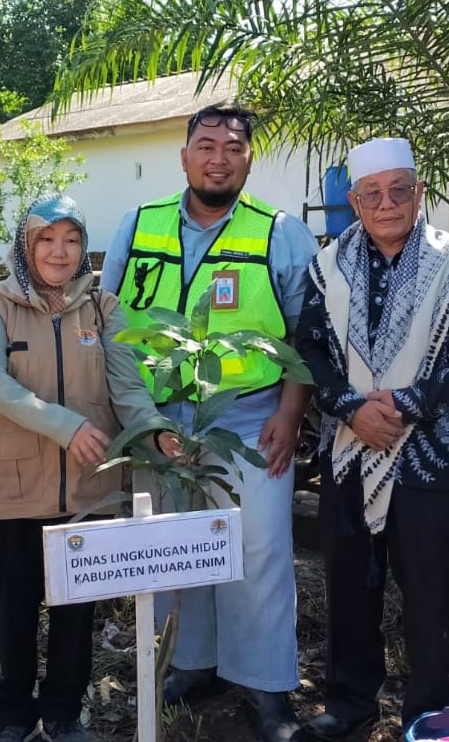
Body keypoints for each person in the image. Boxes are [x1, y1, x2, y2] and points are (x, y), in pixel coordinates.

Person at [102, 101, 320, 742]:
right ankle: (191, 664)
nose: (218, 157)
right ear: (184, 155)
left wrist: (290, 411)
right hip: (156, 421)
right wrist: (137, 419)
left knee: (258, 552)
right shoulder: (137, 226)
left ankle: (265, 684)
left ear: (249, 159)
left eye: (233, 147)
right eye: (206, 144)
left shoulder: (279, 232)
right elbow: (108, 322)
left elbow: (312, 334)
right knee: (173, 548)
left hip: (249, 420)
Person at [294, 137, 449, 738]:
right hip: (349, 452)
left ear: (419, 193)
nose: (387, 205)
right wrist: (351, 408)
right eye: (373, 194)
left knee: (428, 593)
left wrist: (408, 405)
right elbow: (310, 350)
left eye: (399, 190)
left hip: (427, 458)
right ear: (355, 202)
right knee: (351, 586)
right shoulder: (325, 267)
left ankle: (430, 713)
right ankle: (351, 704)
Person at [0, 194, 175, 742]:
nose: (59, 251)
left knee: (76, 612)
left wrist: (155, 431)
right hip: (14, 486)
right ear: (26, 244)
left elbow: (128, 389)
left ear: (84, 247)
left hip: (90, 489)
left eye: (71, 239)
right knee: (15, 608)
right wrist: (63, 425)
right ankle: (14, 714)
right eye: (46, 238)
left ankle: (63, 714)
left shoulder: (103, 308)